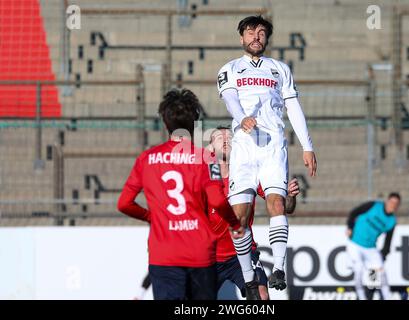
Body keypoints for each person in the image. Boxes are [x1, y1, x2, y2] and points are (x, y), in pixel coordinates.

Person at [216, 15, 317, 294]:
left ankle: (280, 269)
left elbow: (293, 108)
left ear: (267, 39)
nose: (256, 37)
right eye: (250, 32)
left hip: (273, 147)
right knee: (239, 215)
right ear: (241, 38)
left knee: (276, 204)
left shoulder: (279, 69)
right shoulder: (230, 69)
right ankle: (248, 276)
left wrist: (307, 146)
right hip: (244, 148)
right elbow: (230, 98)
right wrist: (242, 117)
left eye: (261, 32)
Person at [117, 89, 243, 300]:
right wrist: (235, 224)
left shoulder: (146, 159)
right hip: (200, 251)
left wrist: (150, 217)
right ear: (194, 122)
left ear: (165, 122)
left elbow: (124, 204)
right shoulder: (205, 157)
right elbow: (217, 200)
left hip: (164, 252)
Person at [207, 126, 301, 300]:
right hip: (208, 256)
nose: (226, 140)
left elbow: (285, 208)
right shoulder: (203, 180)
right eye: (220, 138)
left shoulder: (250, 177)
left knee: (261, 296)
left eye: (230, 137)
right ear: (210, 148)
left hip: (241, 254)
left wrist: (289, 196)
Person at [346, 193, 401, 300]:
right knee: (359, 269)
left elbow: (388, 241)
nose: (393, 205)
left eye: (396, 203)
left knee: (380, 273)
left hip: (370, 248)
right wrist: (350, 227)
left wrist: (383, 255)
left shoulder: (392, 221)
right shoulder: (374, 206)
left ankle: (385, 297)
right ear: (387, 201)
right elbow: (354, 212)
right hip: (355, 244)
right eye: (392, 202)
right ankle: (362, 297)